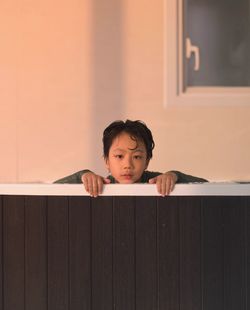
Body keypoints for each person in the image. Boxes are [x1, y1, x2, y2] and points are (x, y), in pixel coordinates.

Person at [55, 120, 207, 196]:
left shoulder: (155, 182)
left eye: (137, 157)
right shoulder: (101, 184)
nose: (127, 165)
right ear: (107, 161)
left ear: (147, 161)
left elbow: (208, 186)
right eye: (119, 156)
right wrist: (83, 175)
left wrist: (174, 176)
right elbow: (51, 190)